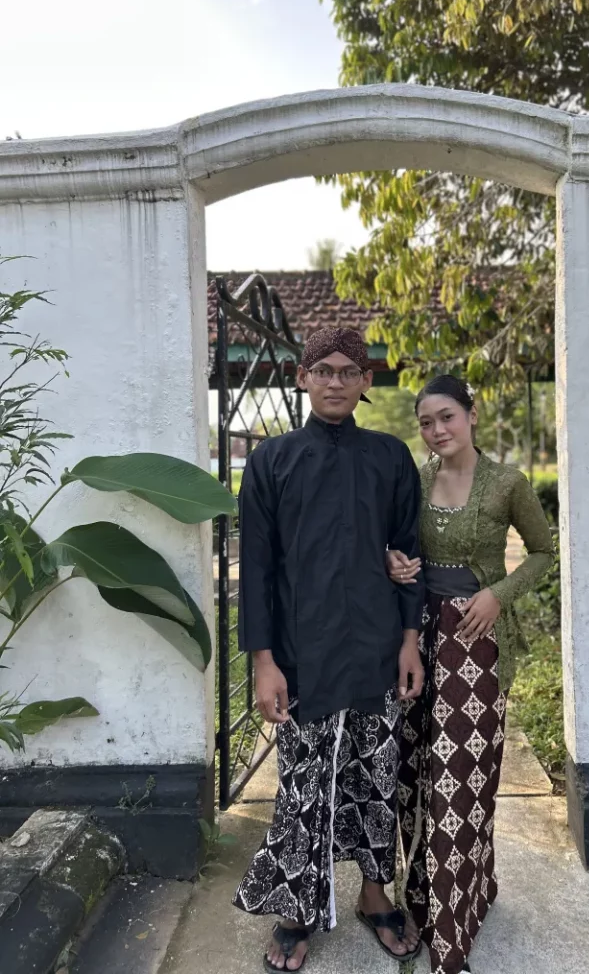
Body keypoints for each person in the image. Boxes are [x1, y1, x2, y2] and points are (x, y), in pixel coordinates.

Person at [232, 326, 424, 973]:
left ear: (367, 381)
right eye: (323, 370)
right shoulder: (272, 461)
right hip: (301, 656)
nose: (335, 381)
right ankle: (297, 909)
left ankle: (374, 894)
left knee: (376, 779)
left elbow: (408, 555)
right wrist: (264, 661)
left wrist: (409, 641)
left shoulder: (391, 458)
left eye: (348, 371)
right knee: (302, 787)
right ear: (302, 378)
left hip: (375, 651)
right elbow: (256, 570)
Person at [387, 375, 554, 974]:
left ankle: (458, 911)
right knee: (414, 771)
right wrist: (395, 561)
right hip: (417, 636)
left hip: (475, 641)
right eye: (426, 422)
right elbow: (398, 543)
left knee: (462, 775)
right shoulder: (416, 479)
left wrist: (498, 594)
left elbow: (543, 551)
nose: (437, 430)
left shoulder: (508, 483)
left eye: (446, 417)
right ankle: (419, 897)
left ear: (471, 415)